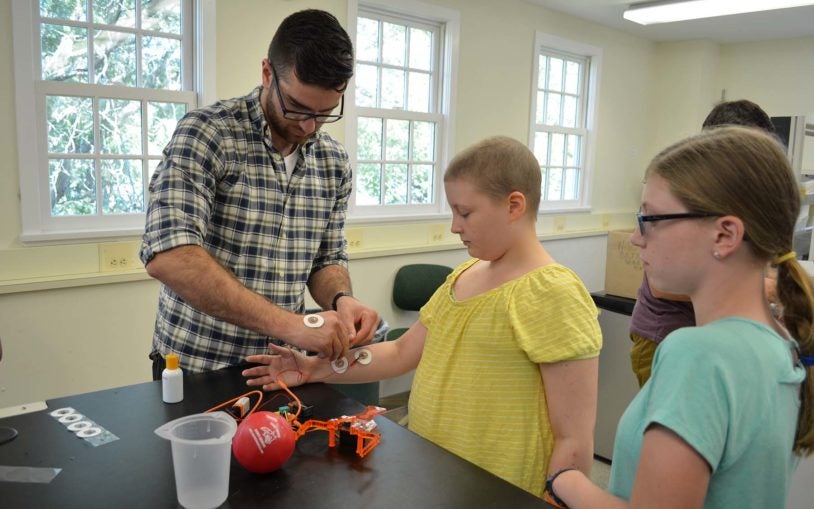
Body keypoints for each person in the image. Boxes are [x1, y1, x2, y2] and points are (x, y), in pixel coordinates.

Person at [242, 136, 603, 498]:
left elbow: (574, 438)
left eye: (465, 213)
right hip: (435, 477)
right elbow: (401, 352)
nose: (454, 226)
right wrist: (314, 368)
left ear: (513, 206)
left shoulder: (553, 294)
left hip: (498, 492)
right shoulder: (463, 276)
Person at [546, 126, 814, 509]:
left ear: (725, 235)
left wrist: (567, 481)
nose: (637, 237)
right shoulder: (781, 343)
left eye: (652, 219)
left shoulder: (698, 355)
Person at [139, 9, 379, 378]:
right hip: (198, 366)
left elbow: (326, 258)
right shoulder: (208, 134)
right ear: (268, 73)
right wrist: (292, 326)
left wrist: (340, 299)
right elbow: (170, 255)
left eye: (326, 112)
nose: (308, 125)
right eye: (297, 107)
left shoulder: (333, 162)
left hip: (281, 372)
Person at [628, 99, 777, 386]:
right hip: (667, 333)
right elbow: (662, 284)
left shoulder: (735, 196)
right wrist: (759, 288)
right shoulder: (688, 194)